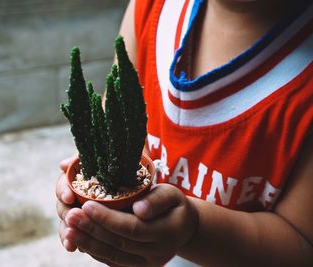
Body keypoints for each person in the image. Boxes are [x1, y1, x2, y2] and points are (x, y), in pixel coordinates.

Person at [56, 0, 313, 266]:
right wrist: (95, 188)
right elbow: (115, 123)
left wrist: (194, 229)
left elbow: (303, 244)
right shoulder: (148, 10)